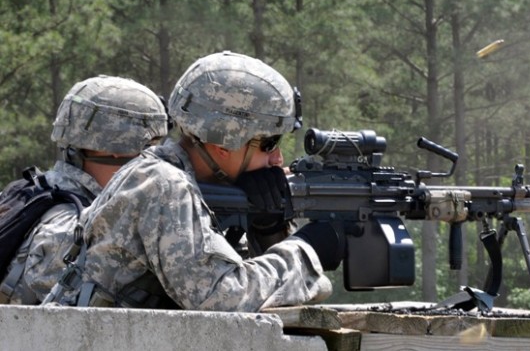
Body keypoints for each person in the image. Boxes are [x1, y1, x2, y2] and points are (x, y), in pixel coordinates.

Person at [75, 51, 346, 311]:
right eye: (269, 143)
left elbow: (236, 280)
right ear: (224, 143)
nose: (278, 158)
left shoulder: (176, 179)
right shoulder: (164, 184)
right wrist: (304, 253)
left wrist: (268, 228)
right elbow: (221, 297)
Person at [0, 75, 169, 304]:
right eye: (151, 146)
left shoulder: (42, 189)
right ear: (117, 147)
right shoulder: (70, 229)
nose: (157, 159)